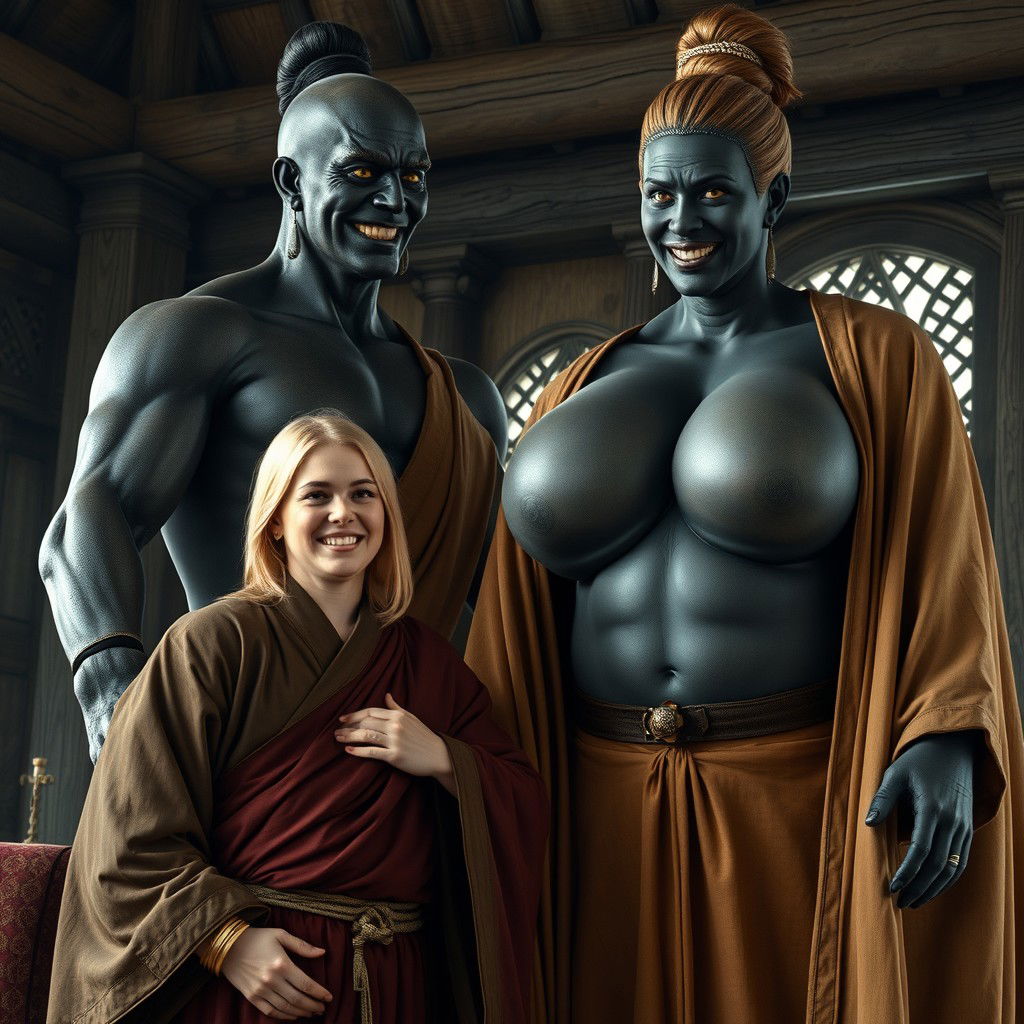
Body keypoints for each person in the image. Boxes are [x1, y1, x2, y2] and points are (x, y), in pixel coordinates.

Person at [466, 5, 1023, 1023]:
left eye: (714, 192)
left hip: (792, 793)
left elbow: (947, 563)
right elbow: (513, 618)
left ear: (776, 196)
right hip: (590, 799)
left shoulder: (873, 358)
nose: (682, 220)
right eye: (659, 193)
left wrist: (946, 732)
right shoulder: (582, 382)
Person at [40, 21, 507, 763]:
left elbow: (511, 604)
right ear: (291, 182)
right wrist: (116, 704)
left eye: (414, 176)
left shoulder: (467, 400)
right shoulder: (197, 334)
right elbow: (84, 525)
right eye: (362, 172)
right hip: (241, 741)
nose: (395, 200)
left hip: (402, 761)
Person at [47, 412, 546, 1024]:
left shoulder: (429, 662)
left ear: (387, 515)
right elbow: (127, 835)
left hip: (396, 987)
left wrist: (445, 759)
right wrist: (226, 942)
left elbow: (522, 799)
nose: (343, 513)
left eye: (363, 494)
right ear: (276, 520)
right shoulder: (210, 644)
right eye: (316, 496)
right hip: (255, 985)